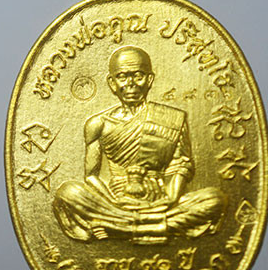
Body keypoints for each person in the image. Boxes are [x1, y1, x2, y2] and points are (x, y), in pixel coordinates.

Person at [53, 46, 226, 244]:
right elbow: (91, 175)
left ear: (149, 80)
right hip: (115, 203)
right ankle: (159, 227)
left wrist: (171, 198)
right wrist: (113, 200)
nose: (131, 84)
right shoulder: (98, 124)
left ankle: (118, 228)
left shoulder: (173, 118)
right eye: (122, 77)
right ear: (112, 83)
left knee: (215, 200)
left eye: (138, 76)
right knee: (67, 193)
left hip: (160, 199)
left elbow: (182, 165)